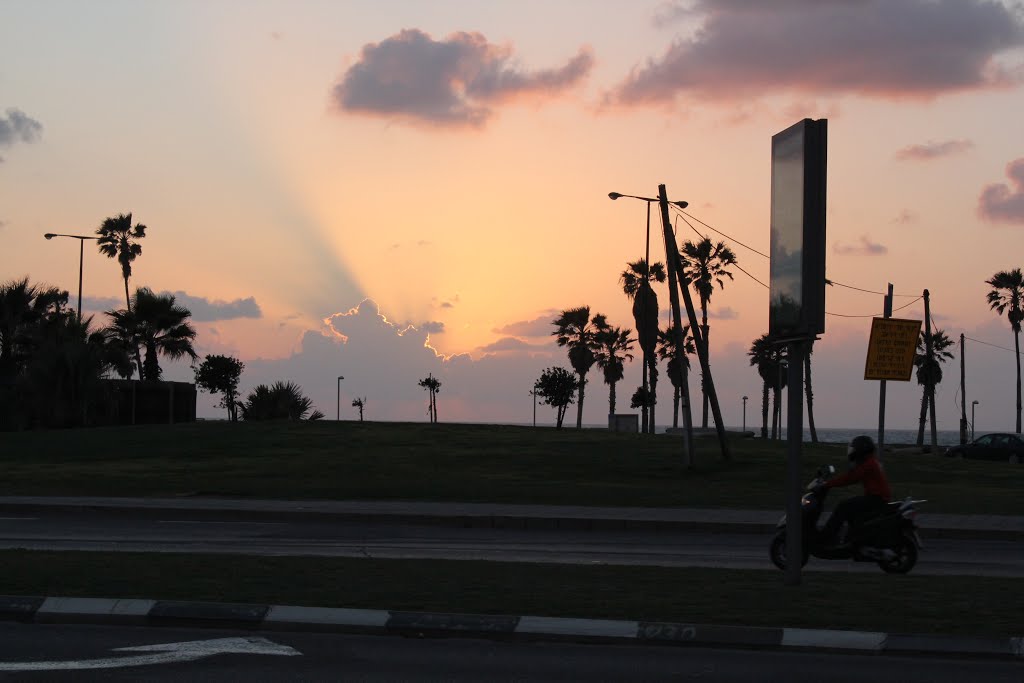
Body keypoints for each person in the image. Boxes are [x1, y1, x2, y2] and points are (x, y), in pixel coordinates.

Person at [817, 435, 892, 547]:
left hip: (876, 499)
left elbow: (850, 478)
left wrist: (827, 484)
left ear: (861, 450)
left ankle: (827, 538)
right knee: (850, 510)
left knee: (843, 506)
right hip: (877, 498)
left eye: (854, 449)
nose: (852, 452)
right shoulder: (869, 462)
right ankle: (852, 538)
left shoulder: (868, 464)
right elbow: (851, 476)